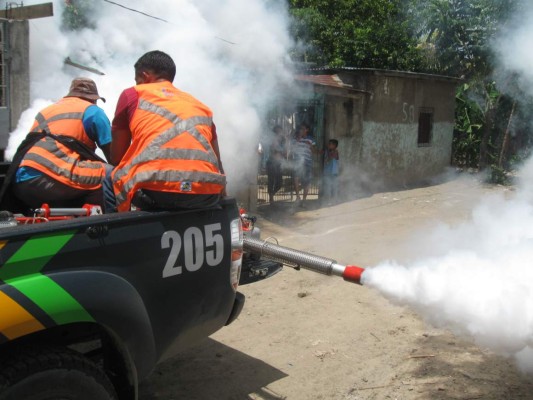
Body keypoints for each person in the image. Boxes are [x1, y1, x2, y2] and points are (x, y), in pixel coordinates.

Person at [110, 50, 226, 212]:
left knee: (109, 174)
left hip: (154, 194)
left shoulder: (133, 94)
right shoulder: (200, 106)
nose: (137, 84)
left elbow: (116, 157)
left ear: (145, 75)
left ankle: (117, 233)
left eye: (138, 80)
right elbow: (218, 161)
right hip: (206, 194)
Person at [8, 77, 115, 213]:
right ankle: (108, 224)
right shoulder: (93, 111)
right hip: (49, 177)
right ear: (94, 99)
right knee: (109, 173)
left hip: (21, 181)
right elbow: (114, 155)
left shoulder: (46, 111)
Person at [291, 123, 315, 207]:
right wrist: (297, 139)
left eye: (303, 129)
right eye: (300, 129)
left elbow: (313, 151)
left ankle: (304, 200)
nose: (301, 130)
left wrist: (311, 146)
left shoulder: (310, 139)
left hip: (308, 162)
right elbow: (291, 149)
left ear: (307, 130)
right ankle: (298, 197)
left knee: (307, 181)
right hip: (298, 162)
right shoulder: (295, 139)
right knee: (296, 178)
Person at [266, 125, 285, 204]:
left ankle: (272, 194)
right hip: (271, 163)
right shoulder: (271, 140)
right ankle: (271, 198)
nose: (279, 133)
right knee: (271, 181)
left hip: (279, 163)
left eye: (280, 131)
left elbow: (284, 152)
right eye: (277, 132)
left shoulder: (282, 141)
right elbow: (273, 151)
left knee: (279, 183)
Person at [322, 138, 340, 204]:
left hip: (334, 172)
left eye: (330, 144)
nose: (328, 145)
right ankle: (329, 200)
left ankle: (334, 200)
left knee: (334, 187)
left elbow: (329, 159)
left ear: (334, 145)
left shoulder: (335, 152)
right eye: (328, 144)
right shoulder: (327, 151)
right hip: (327, 172)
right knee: (328, 187)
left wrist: (329, 154)